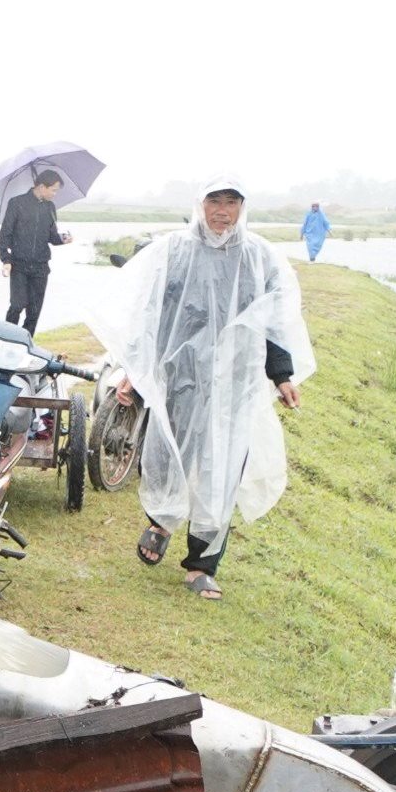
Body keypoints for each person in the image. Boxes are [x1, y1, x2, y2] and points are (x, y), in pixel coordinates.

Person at [95, 177, 314, 600]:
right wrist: (136, 374)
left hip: (236, 382)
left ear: (242, 207)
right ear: (200, 204)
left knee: (223, 469)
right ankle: (161, 520)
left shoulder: (259, 258)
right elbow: (150, 316)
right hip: (182, 376)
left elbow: (271, 323)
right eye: (215, 200)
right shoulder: (174, 252)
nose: (222, 211)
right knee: (169, 453)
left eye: (232, 202)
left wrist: (281, 374)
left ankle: (202, 563)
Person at [0, 168, 72, 335]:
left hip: (40, 266)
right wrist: (6, 260)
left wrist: (62, 239)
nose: (55, 194)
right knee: (17, 305)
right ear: (41, 186)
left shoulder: (50, 207)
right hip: (19, 265)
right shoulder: (16, 203)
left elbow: (52, 236)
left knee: (34, 310)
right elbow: (5, 235)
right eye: (53, 190)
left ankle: (26, 344)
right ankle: (6, 338)